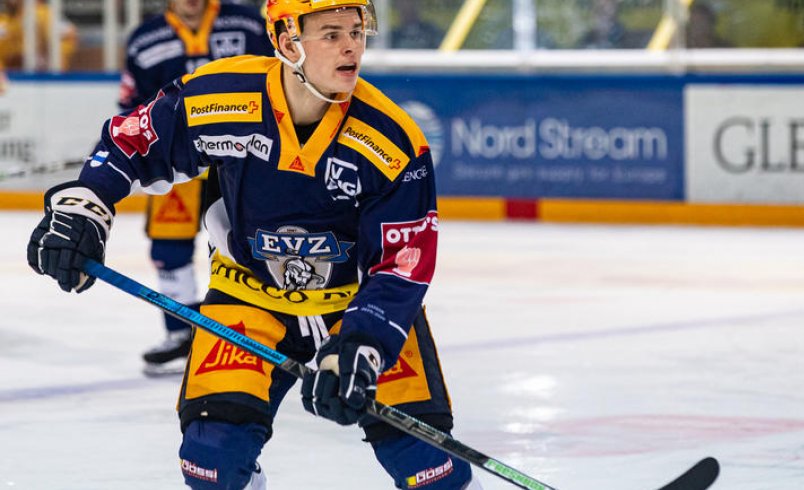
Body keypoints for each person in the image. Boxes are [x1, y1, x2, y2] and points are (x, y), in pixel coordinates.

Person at [27, 0, 481, 488]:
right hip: (249, 296)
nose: (351, 45)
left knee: (427, 467)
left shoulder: (391, 140)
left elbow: (402, 264)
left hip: (352, 307)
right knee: (212, 462)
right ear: (288, 43)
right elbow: (130, 143)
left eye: (356, 30)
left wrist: (363, 346)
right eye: (330, 34)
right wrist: (85, 205)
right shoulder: (223, 96)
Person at [119, 0, 271, 376]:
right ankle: (183, 331)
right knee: (168, 243)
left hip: (243, 154)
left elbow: (280, 80)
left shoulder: (249, 24)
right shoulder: (144, 39)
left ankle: (267, 329)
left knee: (254, 241)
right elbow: (132, 105)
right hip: (178, 158)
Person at [0, 0, 78, 71]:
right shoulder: (4, 20)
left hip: (42, 78)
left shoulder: (42, 14)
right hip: (10, 78)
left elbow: (69, 33)